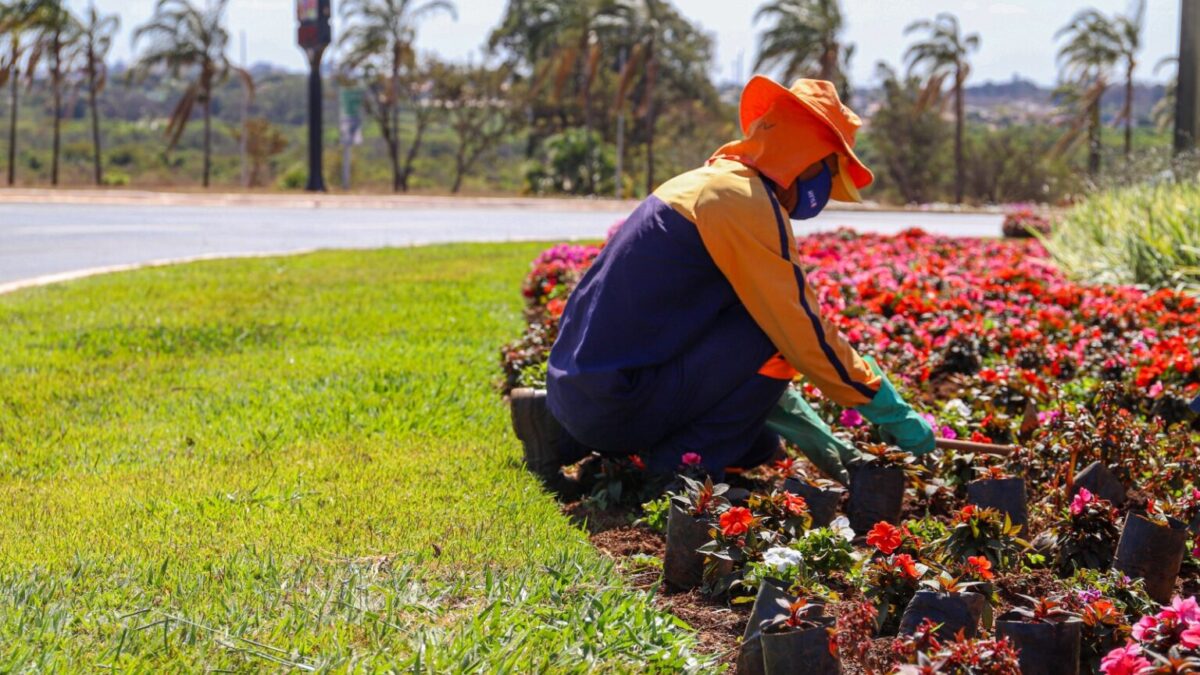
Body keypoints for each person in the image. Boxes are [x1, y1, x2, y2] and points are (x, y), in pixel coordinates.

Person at [511, 76, 934, 492]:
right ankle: (673, 475)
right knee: (772, 335)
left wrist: (827, 444)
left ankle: (554, 429)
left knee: (756, 446)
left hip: (583, 388)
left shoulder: (706, 182)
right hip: (617, 403)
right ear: (807, 156)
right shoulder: (745, 202)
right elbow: (799, 334)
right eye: (830, 171)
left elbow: (747, 366)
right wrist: (888, 408)